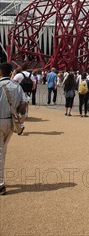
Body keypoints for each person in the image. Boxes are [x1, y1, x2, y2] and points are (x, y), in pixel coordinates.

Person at [0, 62, 28, 195]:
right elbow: (24, 102)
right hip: (10, 122)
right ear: (11, 72)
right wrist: (19, 114)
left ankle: (1, 184)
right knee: (3, 150)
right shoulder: (17, 86)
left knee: (0, 152)